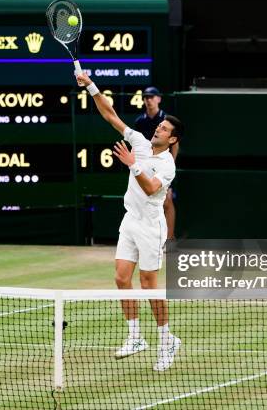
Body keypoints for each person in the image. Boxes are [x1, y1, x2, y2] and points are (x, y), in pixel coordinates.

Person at [76, 72, 184, 371]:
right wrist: (91, 86)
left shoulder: (167, 165)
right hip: (130, 221)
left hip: (151, 226)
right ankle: (136, 336)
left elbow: (151, 189)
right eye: (159, 127)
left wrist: (132, 164)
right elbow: (110, 114)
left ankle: (166, 342)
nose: (158, 130)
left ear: (172, 138)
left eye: (163, 129)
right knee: (122, 278)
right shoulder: (138, 139)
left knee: (149, 285)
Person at [134, 87, 178, 240]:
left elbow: (175, 145)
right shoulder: (139, 121)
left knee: (167, 201)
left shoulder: (166, 119)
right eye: (146, 97)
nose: (148, 99)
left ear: (158, 99)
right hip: (145, 167)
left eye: (152, 97)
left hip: (162, 166)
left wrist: (169, 166)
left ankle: (170, 239)